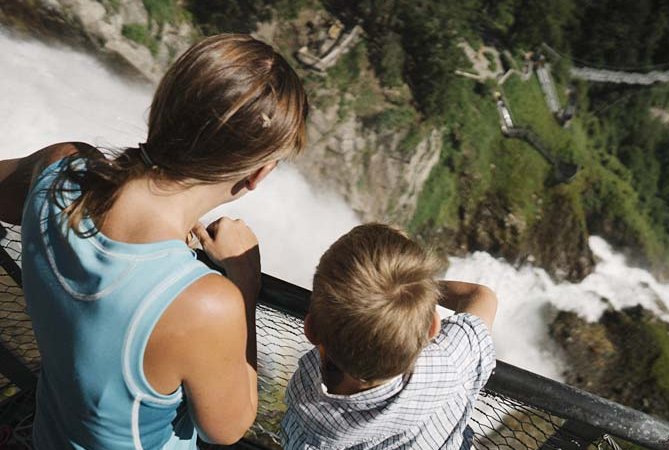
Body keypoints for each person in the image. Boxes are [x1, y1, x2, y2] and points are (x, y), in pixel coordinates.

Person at [0, 34, 307, 449]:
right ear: (259, 174)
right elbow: (227, 427)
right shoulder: (203, 304)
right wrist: (244, 282)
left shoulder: (59, 170)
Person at [282, 223, 498, 449]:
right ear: (433, 327)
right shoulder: (449, 363)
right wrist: (416, 289)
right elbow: (481, 296)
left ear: (311, 329)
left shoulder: (305, 405)